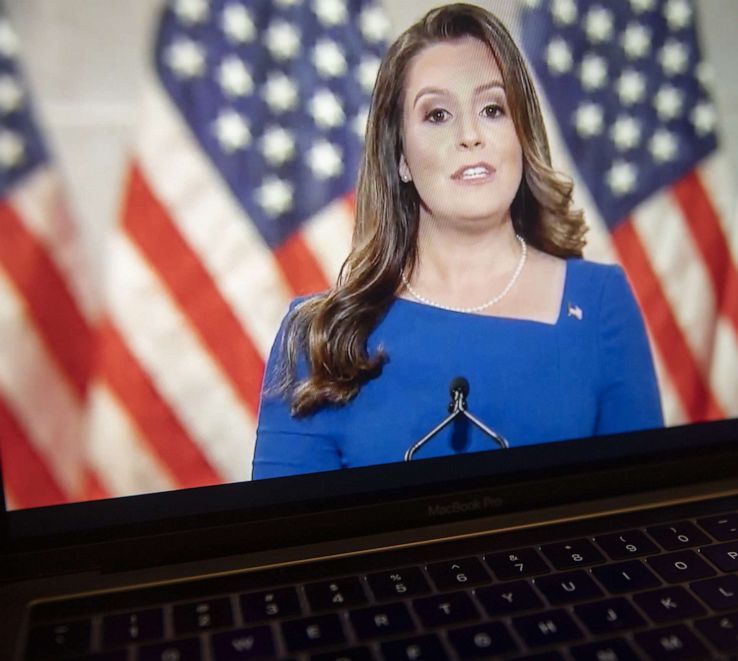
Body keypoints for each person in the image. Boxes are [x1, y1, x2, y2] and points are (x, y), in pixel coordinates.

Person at [252, 4, 662, 479]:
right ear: (401, 158)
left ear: (521, 135)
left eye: (492, 109)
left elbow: (641, 515)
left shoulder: (600, 303)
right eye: (438, 115)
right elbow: (290, 547)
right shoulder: (317, 338)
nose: (470, 135)